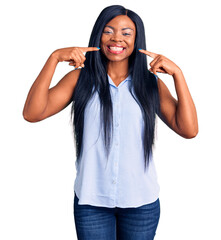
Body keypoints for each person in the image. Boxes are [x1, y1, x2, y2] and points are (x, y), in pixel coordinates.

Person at [23, 4, 198, 240]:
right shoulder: (80, 78)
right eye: (108, 31)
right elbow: (32, 113)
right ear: (98, 35)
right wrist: (53, 58)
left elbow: (188, 130)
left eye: (126, 33)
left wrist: (178, 74)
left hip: (141, 203)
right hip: (92, 202)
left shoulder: (149, 83)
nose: (117, 38)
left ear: (137, 40)